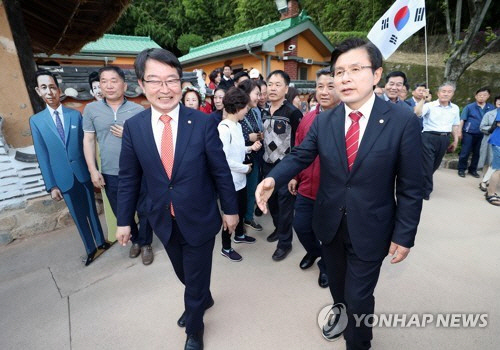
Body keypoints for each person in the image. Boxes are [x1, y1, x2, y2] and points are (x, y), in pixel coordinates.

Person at [256, 38, 423, 350]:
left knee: (359, 296)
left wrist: (404, 235)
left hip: (372, 226)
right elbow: (299, 156)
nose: (344, 78)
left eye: (355, 69)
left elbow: (412, 187)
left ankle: (359, 342)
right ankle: (342, 314)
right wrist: (273, 180)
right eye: (339, 71)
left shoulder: (403, 121)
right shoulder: (326, 120)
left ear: (376, 75)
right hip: (329, 222)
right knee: (337, 286)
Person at [115, 48, 238, 350]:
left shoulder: (203, 122)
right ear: (142, 85)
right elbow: (129, 177)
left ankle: (195, 328)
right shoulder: (135, 128)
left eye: (172, 80)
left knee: (194, 279)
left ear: (181, 84)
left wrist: (231, 210)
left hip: (199, 216)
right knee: (184, 274)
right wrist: (123, 221)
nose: (165, 89)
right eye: (155, 81)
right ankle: (201, 297)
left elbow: (220, 171)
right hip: (162, 218)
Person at [30, 70, 109, 266]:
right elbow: (43, 156)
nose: (49, 92)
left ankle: (101, 241)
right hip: (62, 178)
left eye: (52, 87)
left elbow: (86, 146)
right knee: (78, 214)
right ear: (38, 91)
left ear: (59, 90)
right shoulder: (36, 121)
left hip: (82, 172)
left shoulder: (75, 115)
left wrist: (94, 170)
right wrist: (51, 185)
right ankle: (90, 248)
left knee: (91, 209)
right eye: (44, 88)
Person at [83, 66, 155, 266]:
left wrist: (129, 135)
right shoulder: (91, 110)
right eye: (104, 81)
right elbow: (88, 140)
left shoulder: (137, 110)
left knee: (145, 208)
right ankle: (135, 240)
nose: (109, 85)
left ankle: (146, 243)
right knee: (121, 210)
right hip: (110, 171)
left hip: (139, 170)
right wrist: (93, 170)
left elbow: (148, 140)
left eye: (114, 80)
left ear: (124, 85)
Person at [287, 67, 340, 289]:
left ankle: (327, 266)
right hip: (307, 187)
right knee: (301, 226)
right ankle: (315, 253)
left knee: (329, 235)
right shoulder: (308, 119)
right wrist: (294, 176)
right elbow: (299, 150)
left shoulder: (347, 120)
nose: (324, 91)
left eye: (330, 86)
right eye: (320, 86)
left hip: (333, 194)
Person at [261, 70, 302, 261]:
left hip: (286, 168)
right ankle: (278, 230)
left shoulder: (293, 113)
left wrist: (295, 174)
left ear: (286, 89)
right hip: (267, 165)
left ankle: (284, 244)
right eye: (270, 84)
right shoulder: (263, 111)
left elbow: (300, 144)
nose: (273, 88)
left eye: (278, 84)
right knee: (272, 203)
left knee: (286, 208)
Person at [217, 87, 262, 261]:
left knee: (242, 209)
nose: (247, 110)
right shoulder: (224, 128)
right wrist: (246, 168)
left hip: (240, 180)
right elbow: (225, 159)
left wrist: (250, 147)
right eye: (245, 107)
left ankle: (240, 235)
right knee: (231, 216)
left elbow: (237, 149)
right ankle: (226, 247)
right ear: (237, 107)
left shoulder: (236, 125)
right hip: (231, 181)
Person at [416, 82, 460, 200]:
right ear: (438, 93)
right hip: (428, 137)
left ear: (453, 94)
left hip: (444, 138)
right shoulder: (430, 105)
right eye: (443, 91)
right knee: (428, 164)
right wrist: (423, 100)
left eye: (449, 92)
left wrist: (455, 141)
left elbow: (455, 125)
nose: (445, 94)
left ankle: (421, 183)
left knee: (435, 164)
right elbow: (417, 113)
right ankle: (426, 191)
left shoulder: (455, 108)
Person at [237, 79, 264, 231]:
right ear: (246, 94)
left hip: (255, 156)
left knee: (252, 190)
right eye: (256, 94)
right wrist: (249, 138)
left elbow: (257, 131)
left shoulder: (255, 111)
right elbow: (230, 138)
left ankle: (248, 218)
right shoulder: (236, 111)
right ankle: (238, 224)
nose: (259, 97)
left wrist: (259, 136)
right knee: (240, 192)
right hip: (241, 159)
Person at [457, 87, 495, 178]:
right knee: (465, 152)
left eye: (484, 95)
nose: (482, 97)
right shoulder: (469, 107)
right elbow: (462, 120)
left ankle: (473, 169)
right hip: (469, 132)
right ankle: (461, 169)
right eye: (480, 95)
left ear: (488, 96)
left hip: (483, 134)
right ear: (476, 96)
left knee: (478, 153)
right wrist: (459, 131)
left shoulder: (491, 108)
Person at [479, 96, 500, 191]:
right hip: (492, 140)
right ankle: (485, 181)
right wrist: (492, 128)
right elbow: (482, 127)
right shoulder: (490, 114)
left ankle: (487, 181)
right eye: (498, 100)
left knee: (495, 163)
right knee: (490, 162)